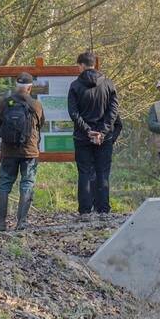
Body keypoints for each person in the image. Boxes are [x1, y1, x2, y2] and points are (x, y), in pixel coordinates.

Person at [68, 51, 119, 215]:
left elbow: (73, 113)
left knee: (84, 173)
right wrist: (102, 132)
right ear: (94, 64)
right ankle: (103, 210)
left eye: (78, 66)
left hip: (82, 137)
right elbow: (113, 111)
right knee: (103, 172)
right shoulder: (109, 84)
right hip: (104, 137)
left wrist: (88, 131)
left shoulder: (75, 85)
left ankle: (85, 212)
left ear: (82, 65)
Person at [0, 73, 46, 231]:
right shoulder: (36, 104)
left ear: (16, 87)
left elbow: (0, 123)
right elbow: (41, 124)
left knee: (4, 185)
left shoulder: (5, 102)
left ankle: (1, 222)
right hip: (29, 152)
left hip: (9, 151)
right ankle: (21, 222)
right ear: (30, 87)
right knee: (27, 185)